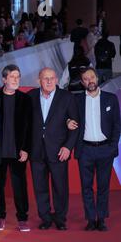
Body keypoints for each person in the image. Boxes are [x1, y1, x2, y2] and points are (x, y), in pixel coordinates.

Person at [68, 67, 120, 231]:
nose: (89, 81)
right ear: (82, 82)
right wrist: (68, 121)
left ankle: (102, 218)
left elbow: (117, 125)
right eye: (85, 78)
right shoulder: (77, 101)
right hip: (85, 150)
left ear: (97, 78)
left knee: (103, 186)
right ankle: (91, 219)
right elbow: (67, 116)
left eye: (92, 77)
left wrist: (112, 146)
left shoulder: (110, 99)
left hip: (105, 149)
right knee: (86, 186)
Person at [29, 68, 79, 231]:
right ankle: (45, 218)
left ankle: (60, 218)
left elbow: (75, 125)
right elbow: (25, 124)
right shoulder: (31, 96)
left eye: (52, 78)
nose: (49, 81)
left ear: (57, 79)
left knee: (60, 186)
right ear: (39, 81)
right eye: (45, 79)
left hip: (59, 150)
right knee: (40, 187)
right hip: (36, 150)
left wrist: (68, 147)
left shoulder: (67, 97)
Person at [0, 65, 32, 232]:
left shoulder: (25, 99)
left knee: (20, 186)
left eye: (18, 77)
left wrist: (26, 149)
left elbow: (30, 126)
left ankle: (22, 218)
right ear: (4, 79)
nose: (16, 80)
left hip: (18, 151)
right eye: (13, 76)